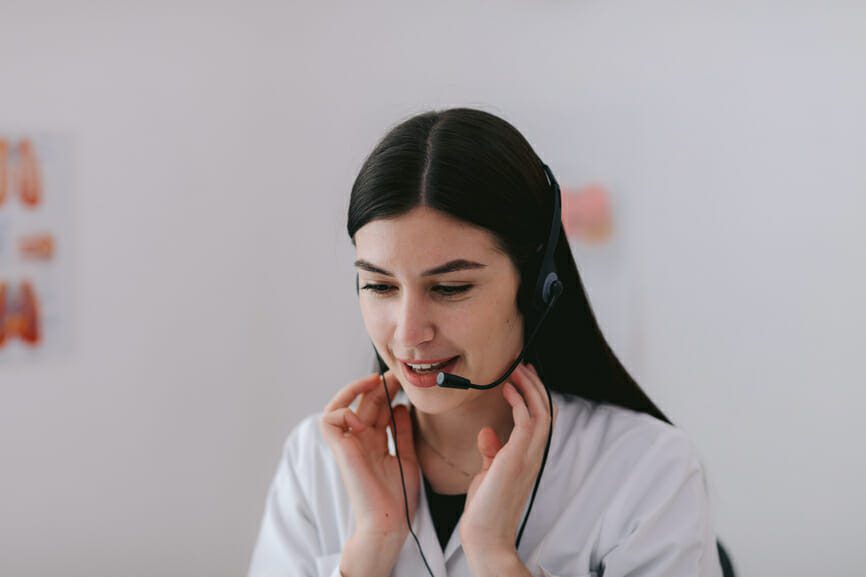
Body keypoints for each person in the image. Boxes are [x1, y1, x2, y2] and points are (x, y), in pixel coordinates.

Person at [247, 108, 724, 577]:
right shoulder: (317, 460)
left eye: (450, 288)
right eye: (380, 287)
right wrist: (370, 548)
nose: (408, 333)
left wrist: (494, 555)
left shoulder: (645, 470)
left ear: (538, 286)